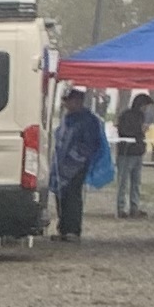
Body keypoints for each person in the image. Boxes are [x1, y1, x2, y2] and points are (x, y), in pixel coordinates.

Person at [49, 82, 99, 242]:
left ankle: (73, 230)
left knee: (72, 195)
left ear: (77, 101)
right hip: (61, 163)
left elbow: (90, 143)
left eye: (68, 101)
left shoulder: (88, 120)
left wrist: (77, 157)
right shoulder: (67, 118)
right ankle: (63, 228)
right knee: (60, 194)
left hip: (77, 165)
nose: (66, 104)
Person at [113, 87, 154, 217]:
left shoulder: (141, 116)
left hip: (137, 153)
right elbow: (124, 132)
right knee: (123, 182)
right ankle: (121, 208)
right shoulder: (126, 116)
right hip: (126, 153)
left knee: (136, 182)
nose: (146, 109)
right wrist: (140, 131)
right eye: (146, 106)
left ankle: (134, 207)